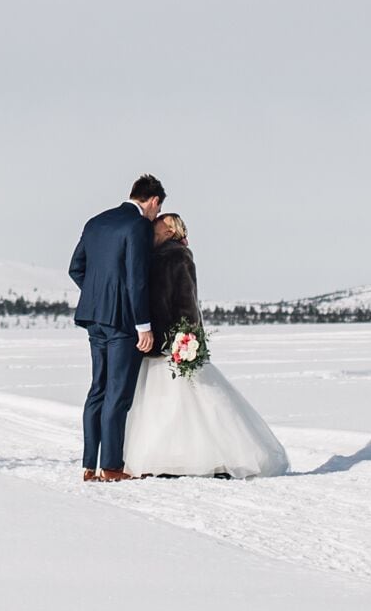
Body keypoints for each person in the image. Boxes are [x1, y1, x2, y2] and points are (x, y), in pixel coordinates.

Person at [120, 213, 288, 479]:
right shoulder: (155, 257)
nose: (152, 235)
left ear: (170, 231)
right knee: (164, 404)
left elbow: (187, 299)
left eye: (156, 231)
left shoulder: (177, 256)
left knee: (190, 400)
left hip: (174, 338)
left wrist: (188, 335)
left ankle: (215, 457)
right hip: (158, 341)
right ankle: (168, 458)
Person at [68, 176, 164, 480]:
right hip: (122, 321)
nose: (156, 214)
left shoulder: (95, 222)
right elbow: (137, 278)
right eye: (157, 208)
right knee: (118, 394)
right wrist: (143, 326)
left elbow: (76, 268)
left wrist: (98, 297)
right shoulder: (137, 226)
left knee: (97, 389)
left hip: (93, 318)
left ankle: (88, 466)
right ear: (153, 201)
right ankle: (111, 467)